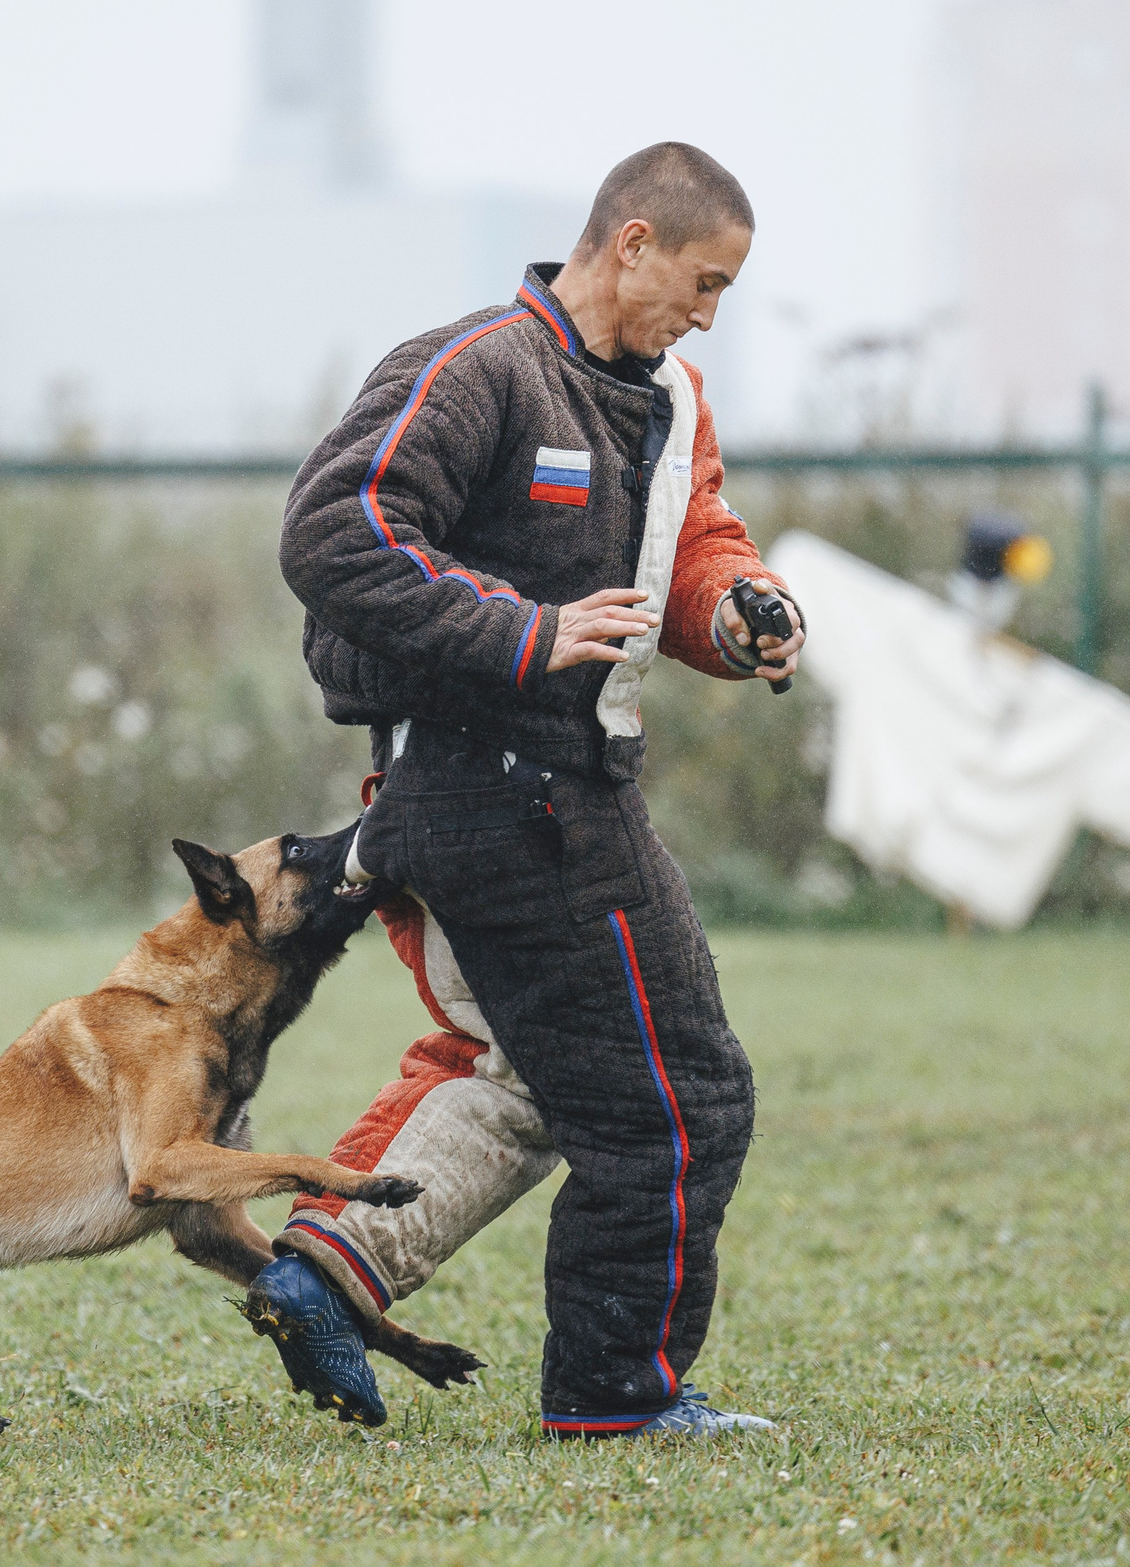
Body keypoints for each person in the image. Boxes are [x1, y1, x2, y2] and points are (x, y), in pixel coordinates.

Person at [244, 142, 804, 1438]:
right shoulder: (478, 367)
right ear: (633, 243)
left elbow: (694, 547)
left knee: (523, 1069)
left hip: (552, 790)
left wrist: (741, 610)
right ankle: (615, 1395)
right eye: (705, 282)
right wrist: (524, 631)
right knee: (679, 1098)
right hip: (498, 792)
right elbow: (336, 528)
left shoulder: (672, 401)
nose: (707, 314)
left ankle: (326, 1268)